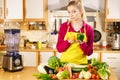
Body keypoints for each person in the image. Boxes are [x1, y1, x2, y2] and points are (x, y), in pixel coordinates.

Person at [56, 0, 94, 64]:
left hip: (81, 65)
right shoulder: (64, 26)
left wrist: (82, 44)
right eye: (69, 12)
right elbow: (59, 48)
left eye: (74, 11)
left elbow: (90, 52)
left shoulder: (88, 29)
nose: (71, 15)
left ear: (81, 11)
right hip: (65, 65)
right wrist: (67, 42)